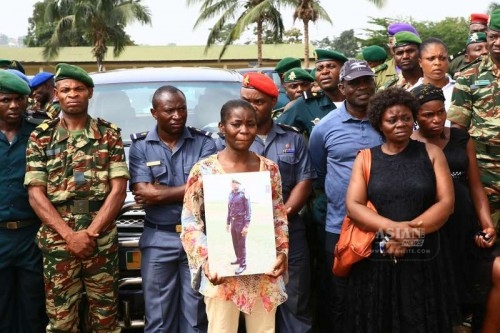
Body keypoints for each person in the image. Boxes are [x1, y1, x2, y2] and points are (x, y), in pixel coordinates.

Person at [24, 63, 130, 332]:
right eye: (66, 89)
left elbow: (118, 190)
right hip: (59, 240)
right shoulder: (41, 136)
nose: (73, 94)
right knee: (61, 321)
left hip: (101, 238)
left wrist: (90, 233)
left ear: (90, 93)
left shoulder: (109, 134)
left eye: (79, 89)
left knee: (106, 320)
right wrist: (70, 236)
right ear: (56, 94)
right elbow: (36, 194)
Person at [343, 87, 458, 332]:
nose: (401, 124)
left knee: (423, 318)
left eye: (406, 118)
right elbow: (353, 205)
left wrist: (410, 237)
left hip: (426, 253)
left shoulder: (432, 153)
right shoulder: (365, 157)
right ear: (379, 124)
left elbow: (446, 204)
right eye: (392, 120)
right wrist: (397, 231)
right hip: (379, 256)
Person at [216, 72, 316, 332]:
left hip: (288, 234)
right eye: (245, 100)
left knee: (295, 301)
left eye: (257, 101)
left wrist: (281, 217)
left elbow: (304, 181)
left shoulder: (292, 138)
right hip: (242, 238)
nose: (250, 107)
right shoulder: (223, 142)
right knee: (246, 307)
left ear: (274, 103)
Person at [181, 99, 289, 333]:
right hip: (221, 272)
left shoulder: (269, 169)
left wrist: (282, 253)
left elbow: (278, 216)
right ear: (222, 127)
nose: (244, 130)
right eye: (236, 124)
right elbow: (190, 222)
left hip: (263, 271)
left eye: (250, 124)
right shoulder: (204, 170)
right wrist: (208, 260)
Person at [411, 83, 500, 332]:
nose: (437, 119)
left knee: (495, 273)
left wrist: (487, 224)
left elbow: (475, 186)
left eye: (441, 112)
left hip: (466, 227)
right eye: (428, 114)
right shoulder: (408, 142)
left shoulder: (461, 138)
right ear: (415, 115)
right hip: (432, 232)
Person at [128, 85, 213, 333]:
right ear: (154, 113)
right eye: (169, 110)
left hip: (198, 238)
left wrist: (159, 194)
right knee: (159, 319)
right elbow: (143, 192)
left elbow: (208, 186)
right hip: (159, 238)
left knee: (196, 318)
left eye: (182, 109)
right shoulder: (140, 146)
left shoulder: (204, 143)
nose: (177, 115)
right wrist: (190, 188)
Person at [308, 59, 383, 332]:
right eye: (355, 83)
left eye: (367, 81)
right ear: (342, 87)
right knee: (338, 295)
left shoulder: (386, 120)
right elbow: (319, 172)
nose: (362, 87)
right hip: (339, 226)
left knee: (377, 293)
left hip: (382, 225)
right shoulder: (325, 128)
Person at [449, 10, 500, 331]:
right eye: (493, 37)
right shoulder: (469, 76)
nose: (498, 44)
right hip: (484, 184)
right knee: (485, 261)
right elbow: (457, 131)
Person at [0, 70, 47, 332]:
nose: (14, 106)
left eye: (19, 99)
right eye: (5, 100)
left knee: (34, 307)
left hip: (32, 235)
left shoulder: (38, 133)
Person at [276, 49, 348, 138]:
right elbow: (276, 131)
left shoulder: (358, 101)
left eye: (330, 66)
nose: (324, 71)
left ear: (343, 71)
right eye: (319, 68)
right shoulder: (306, 104)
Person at [414, 37, 454, 125]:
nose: (437, 63)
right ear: (420, 62)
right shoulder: (411, 94)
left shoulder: (460, 89)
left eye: (442, 58)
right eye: (431, 59)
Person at [375, 22, 420, 90]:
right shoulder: (378, 73)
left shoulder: (428, 69)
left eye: (410, 50)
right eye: (390, 43)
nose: (405, 56)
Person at [449, 13, 489, 77]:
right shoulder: (457, 61)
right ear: (469, 33)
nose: (478, 34)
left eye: (482, 31)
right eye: (474, 31)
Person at [227, 179, 251, 275]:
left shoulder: (244, 194)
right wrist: (228, 222)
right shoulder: (230, 194)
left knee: (241, 244)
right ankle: (238, 259)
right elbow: (229, 209)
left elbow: (248, 211)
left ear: (239, 184)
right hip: (233, 221)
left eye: (236, 182)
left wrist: (246, 226)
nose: (234, 184)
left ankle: (243, 265)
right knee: (235, 242)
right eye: (233, 182)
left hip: (241, 221)